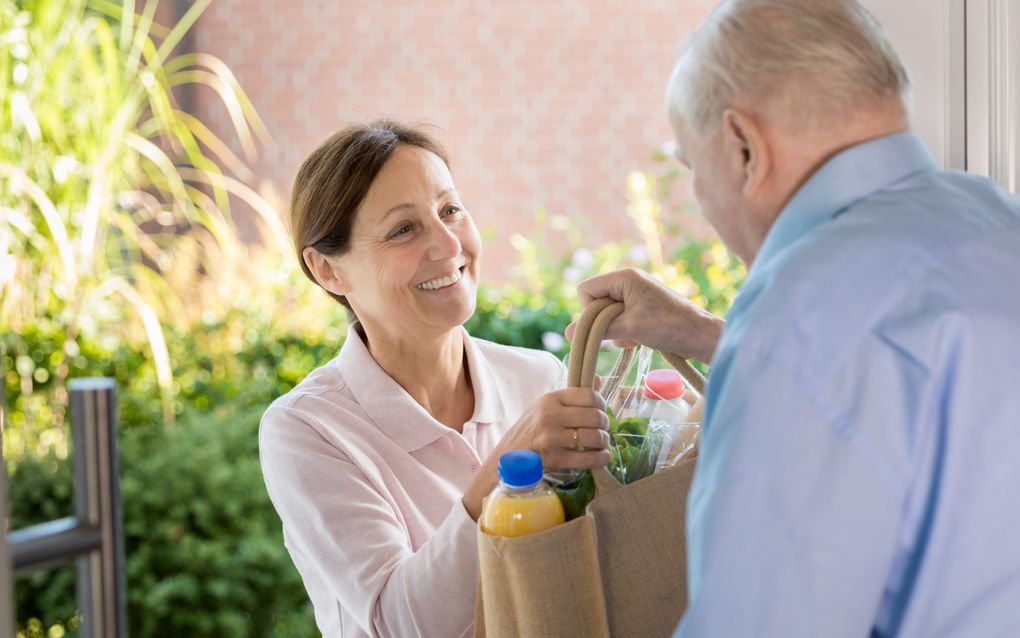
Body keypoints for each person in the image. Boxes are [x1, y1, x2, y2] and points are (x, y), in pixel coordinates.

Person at [571, 0, 1020, 635]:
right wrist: (702, 334)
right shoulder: (996, 218)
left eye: (694, 170)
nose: (701, 200)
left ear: (743, 147)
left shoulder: (794, 321)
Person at [259, 121, 610, 637]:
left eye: (450, 210)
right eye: (404, 229)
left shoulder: (539, 377)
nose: (448, 245)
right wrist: (502, 471)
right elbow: (401, 624)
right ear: (328, 270)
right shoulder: (307, 429)